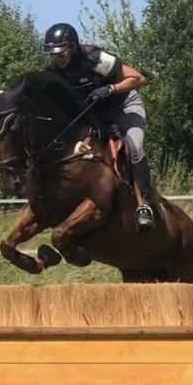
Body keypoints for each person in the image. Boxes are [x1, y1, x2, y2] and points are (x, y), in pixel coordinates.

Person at [42, 22, 155, 231]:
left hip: (123, 103)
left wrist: (111, 88)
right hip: (96, 113)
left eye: (60, 55)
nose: (56, 61)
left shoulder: (93, 59)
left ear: (73, 47)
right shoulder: (53, 73)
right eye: (53, 56)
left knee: (133, 145)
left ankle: (144, 205)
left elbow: (137, 78)